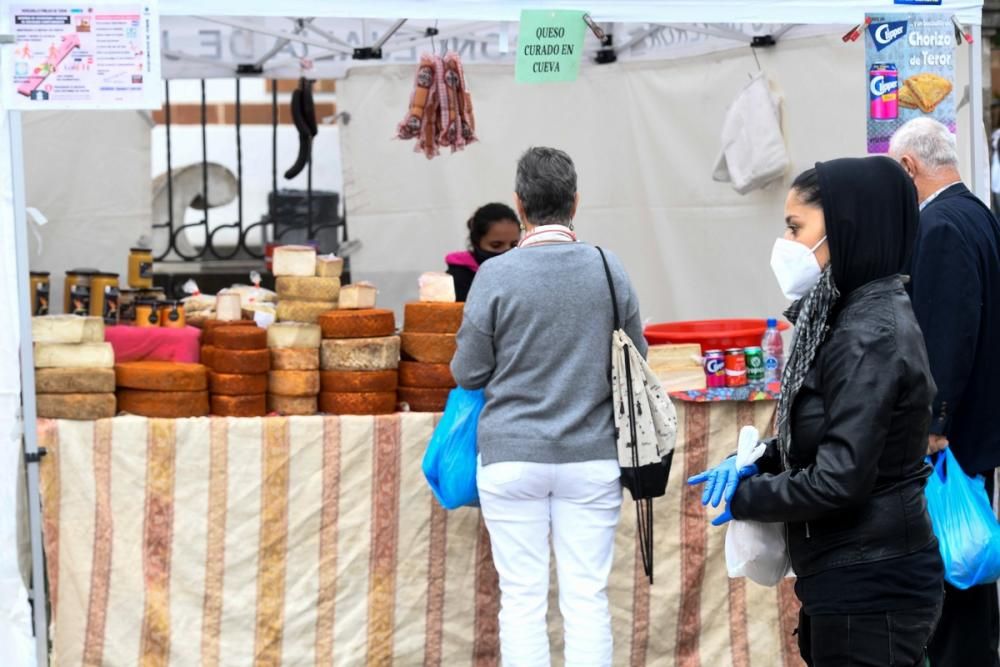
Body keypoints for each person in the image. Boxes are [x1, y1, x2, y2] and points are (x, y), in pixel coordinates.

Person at [689, 158, 943, 666]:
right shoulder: (846, 314)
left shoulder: (869, 332)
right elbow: (835, 429)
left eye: (795, 227)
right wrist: (759, 460)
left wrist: (746, 497)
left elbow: (840, 479)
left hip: (871, 579)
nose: (785, 243)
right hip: (853, 572)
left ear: (846, 228)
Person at [450, 147, 645, 666]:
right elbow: (636, 361)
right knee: (586, 598)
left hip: (511, 454)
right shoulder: (609, 267)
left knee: (522, 600)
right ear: (575, 202)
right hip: (593, 455)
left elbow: (467, 372)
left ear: (519, 205)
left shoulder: (494, 275)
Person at [890, 117, 1000, 667]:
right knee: (969, 559)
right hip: (979, 420)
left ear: (909, 167)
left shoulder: (940, 227)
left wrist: (933, 422)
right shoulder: (977, 212)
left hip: (955, 432)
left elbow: (947, 330)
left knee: (954, 567)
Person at [445, 203, 521, 301]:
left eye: (514, 245)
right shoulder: (456, 280)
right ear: (476, 242)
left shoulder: (525, 273)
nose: (507, 252)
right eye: (496, 245)